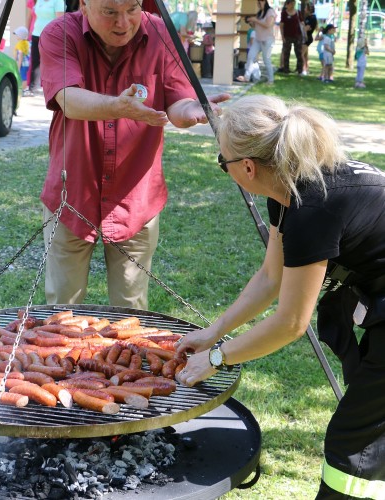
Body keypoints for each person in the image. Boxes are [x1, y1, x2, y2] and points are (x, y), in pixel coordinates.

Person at [176, 94, 385, 499]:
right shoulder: (289, 189)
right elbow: (270, 277)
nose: (225, 169)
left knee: (353, 445)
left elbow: (291, 322)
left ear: (247, 167)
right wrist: (213, 333)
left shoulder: (314, 208)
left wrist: (218, 358)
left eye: (224, 162)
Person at [38, 0, 228, 309]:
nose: (124, 23)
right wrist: (117, 106)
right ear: (84, 5)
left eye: (133, 8)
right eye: (110, 12)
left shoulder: (159, 32)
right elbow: (68, 99)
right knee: (62, 309)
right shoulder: (59, 33)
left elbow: (177, 103)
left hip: (135, 198)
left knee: (131, 312)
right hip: (71, 195)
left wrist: (190, 109)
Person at [29, 0, 64, 94]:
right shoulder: (39, 1)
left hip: (50, 35)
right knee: (35, 61)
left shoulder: (58, 1)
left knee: (51, 62)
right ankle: (33, 87)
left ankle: (53, 88)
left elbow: (60, 21)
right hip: (36, 34)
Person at [236, 0, 276, 84]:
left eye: (259, 3)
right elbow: (258, 25)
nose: (258, 5)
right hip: (258, 39)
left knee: (266, 60)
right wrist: (250, 20)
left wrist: (256, 20)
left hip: (267, 40)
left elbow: (268, 25)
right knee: (250, 56)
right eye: (257, 3)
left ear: (264, 2)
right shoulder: (260, 13)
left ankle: (271, 80)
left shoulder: (270, 12)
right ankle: (246, 77)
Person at [279, 0, 303, 75]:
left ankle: (300, 70)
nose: (291, 5)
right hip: (287, 36)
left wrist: (304, 31)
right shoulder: (284, 13)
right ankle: (286, 70)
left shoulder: (298, 12)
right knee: (286, 53)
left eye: (293, 3)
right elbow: (281, 25)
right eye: (289, 3)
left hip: (297, 36)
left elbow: (302, 23)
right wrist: (282, 36)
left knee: (298, 53)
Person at [301, 1, 317, 75]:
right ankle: (307, 69)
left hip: (307, 38)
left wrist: (302, 26)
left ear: (309, 9)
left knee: (301, 54)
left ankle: (303, 70)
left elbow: (306, 28)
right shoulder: (308, 17)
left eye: (305, 8)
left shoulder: (312, 18)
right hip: (306, 37)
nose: (304, 9)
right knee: (305, 55)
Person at [13, 26, 31, 95]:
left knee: (23, 76)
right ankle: (23, 89)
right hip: (26, 63)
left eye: (17, 35)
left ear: (20, 36)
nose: (16, 36)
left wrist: (18, 66)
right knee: (23, 76)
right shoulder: (27, 43)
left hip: (22, 64)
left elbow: (20, 56)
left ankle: (23, 90)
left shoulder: (20, 44)